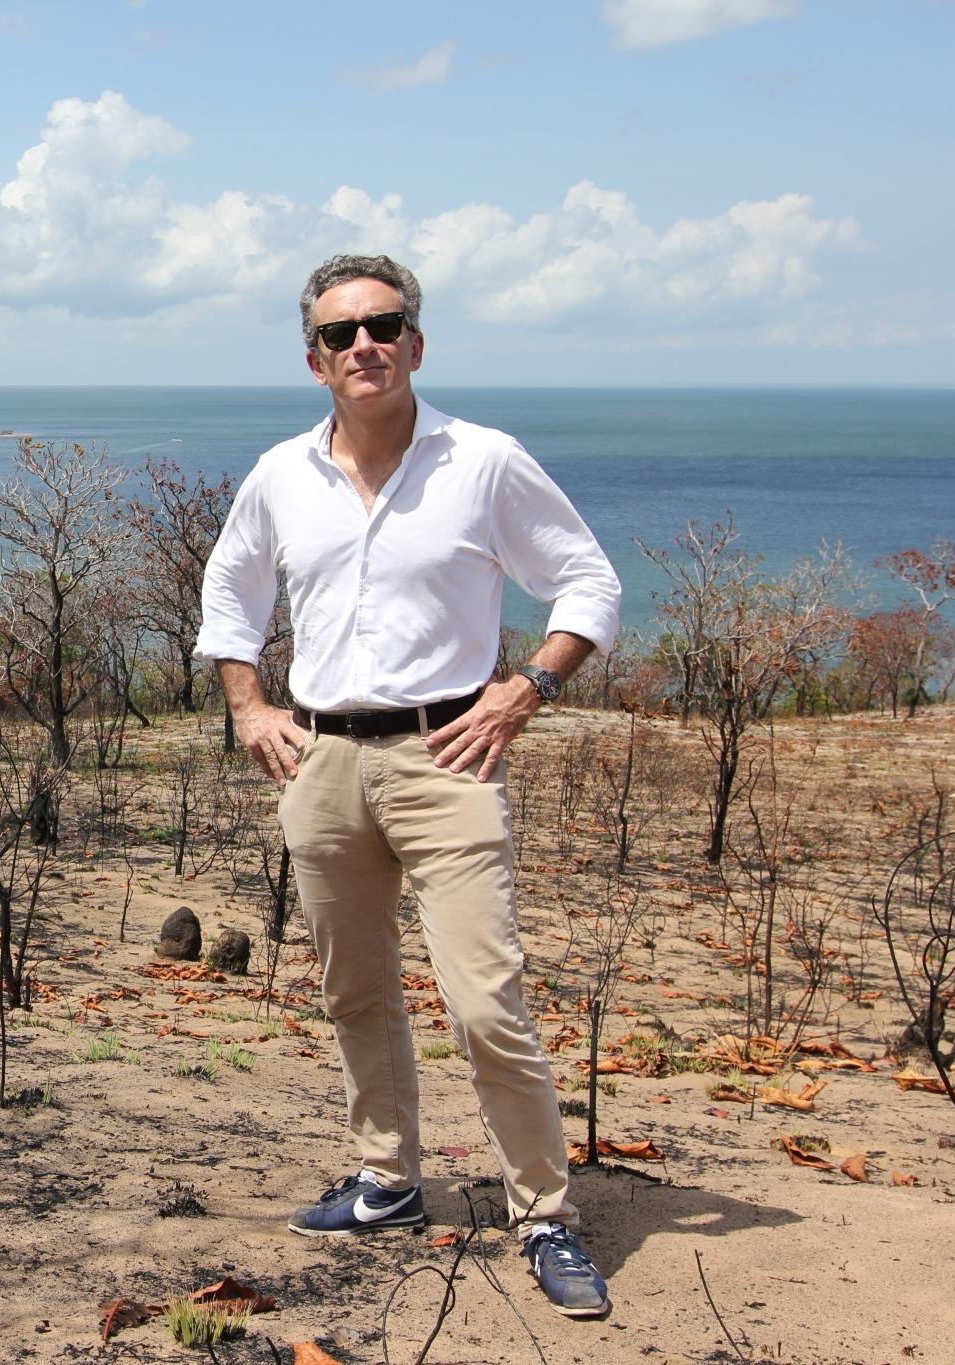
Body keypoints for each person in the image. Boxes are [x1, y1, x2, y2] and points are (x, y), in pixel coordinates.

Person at [194, 254, 623, 1318]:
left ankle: (544, 1214)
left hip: (449, 757)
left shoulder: (482, 462)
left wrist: (525, 690)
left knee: (485, 1000)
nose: (363, 346)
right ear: (315, 360)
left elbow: (588, 580)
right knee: (355, 991)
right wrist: (250, 706)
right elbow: (230, 591)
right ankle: (387, 1177)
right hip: (323, 760)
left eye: (383, 326)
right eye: (341, 336)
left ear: (416, 344)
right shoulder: (281, 473)